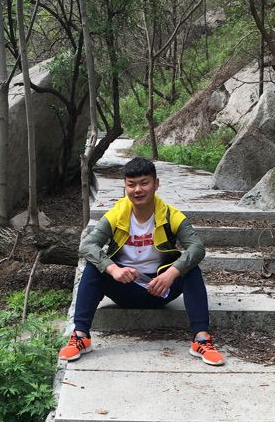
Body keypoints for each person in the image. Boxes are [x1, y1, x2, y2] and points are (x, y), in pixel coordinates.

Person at [58, 157, 225, 366]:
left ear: (156, 184)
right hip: (125, 287)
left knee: (191, 270)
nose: (138, 189)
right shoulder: (116, 214)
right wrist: (113, 269)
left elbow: (197, 248)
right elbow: (87, 246)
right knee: (94, 267)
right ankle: (81, 336)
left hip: (161, 288)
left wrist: (171, 273)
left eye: (144, 183)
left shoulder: (170, 215)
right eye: (131, 184)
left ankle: (201, 339)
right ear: (125, 186)